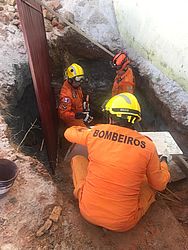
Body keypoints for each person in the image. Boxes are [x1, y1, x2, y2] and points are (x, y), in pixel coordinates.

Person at [64, 93, 170, 232]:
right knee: (148, 181)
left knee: (78, 160)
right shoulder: (148, 146)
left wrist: (88, 130)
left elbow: (68, 133)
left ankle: (85, 195)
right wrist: (164, 163)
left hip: (88, 212)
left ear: (110, 116)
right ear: (135, 120)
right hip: (122, 223)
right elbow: (160, 184)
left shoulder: (96, 132)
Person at [58, 63, 92, 127]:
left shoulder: (76, 86)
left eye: (81, 79)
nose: (80, 83)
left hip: (80, 116)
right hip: (72, 121)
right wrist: (76, 115)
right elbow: (63, 114)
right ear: (70, 80)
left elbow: (79, 98)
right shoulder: (66, 95)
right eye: (78, 80)